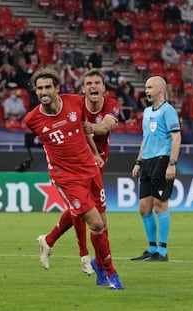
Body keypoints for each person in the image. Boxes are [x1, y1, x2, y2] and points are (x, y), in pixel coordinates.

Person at [25, 67, 123, 289]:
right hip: (66, 177)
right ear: (35, 91)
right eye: (39, 88)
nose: (44, 91)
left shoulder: (75, 103)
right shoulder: (32, 119)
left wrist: (95, 155)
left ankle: (96, 267)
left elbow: (85, 129)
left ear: (57, 88)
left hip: (90, 169)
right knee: (95, 222)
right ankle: (111, 273)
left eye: (48, 87)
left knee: (102, 224)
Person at [131, 76, 181, 262]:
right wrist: (138, 162)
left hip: (162, 160)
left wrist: (172, 163)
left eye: (150, 87)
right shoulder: (146, 112)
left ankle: (162, 251)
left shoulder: (168, 111)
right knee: (144, 208)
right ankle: (152, 249)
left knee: (160, 205)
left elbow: (176, 138)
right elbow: (145, 139)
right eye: (145, 87)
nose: (146, 90)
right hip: (147, 162)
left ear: (160, 90)